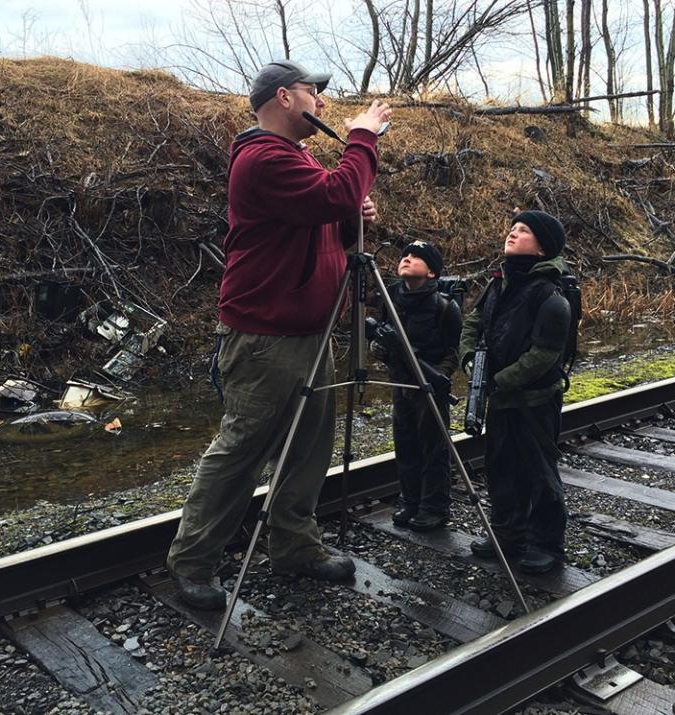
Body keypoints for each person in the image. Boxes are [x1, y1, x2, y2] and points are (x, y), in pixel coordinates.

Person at [166, 60, 391, 609]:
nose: (322, 105)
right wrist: (362, 136)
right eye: (315, 93)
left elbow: (329, 216)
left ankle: (293, 545)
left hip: (308, 332)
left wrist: (350, 214)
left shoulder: (297, 160)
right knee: (243, 448)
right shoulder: (263, 158)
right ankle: (192, 562)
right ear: (286, 97)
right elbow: (333, 194)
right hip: (265, 336)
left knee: (308, 448)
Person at [458, 210, 571, 574]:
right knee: (500, 467)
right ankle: (508, 534)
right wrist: (468, 361)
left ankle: (546, 544)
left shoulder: (552, 294)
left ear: (542, 248)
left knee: (537, 470)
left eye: (524, 231)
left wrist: (499, 380)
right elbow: (473, 323)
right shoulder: (499, 282)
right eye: (512, 228)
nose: (513, 233)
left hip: (535, 400)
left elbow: (545, 354)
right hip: (500, 397)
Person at [372, 241, 462, 531]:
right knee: (405, 444)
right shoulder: (390, 299)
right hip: (400, 384)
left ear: (432, 273)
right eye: (405, 256)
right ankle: (410, 500)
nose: (408, 259)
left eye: (417, 258)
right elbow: (380, 342)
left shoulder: (445, 307)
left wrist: (437, 377)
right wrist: (381, 349)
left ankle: (434, 506)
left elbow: (453, 352)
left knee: (434, 448)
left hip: (430, 387)